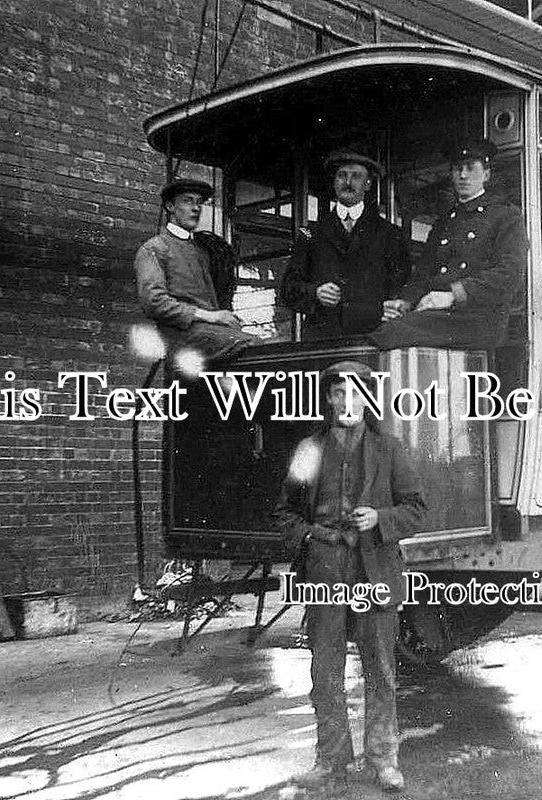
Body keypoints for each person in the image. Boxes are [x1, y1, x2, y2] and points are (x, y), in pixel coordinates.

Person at [275, 360, 426, 794]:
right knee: (326, 667)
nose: (347, 402)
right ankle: (331, 763)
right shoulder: (309, 449)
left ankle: (384, 759)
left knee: (380, 665)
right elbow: (283, 512)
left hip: (374, 568)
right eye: (339, 393)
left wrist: (380, 517)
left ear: (367, 400)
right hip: (324, 568)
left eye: (356, 393)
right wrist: (310, 536)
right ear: (328, 399)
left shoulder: (390, 449)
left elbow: (417, 509)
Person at [371, 138, 528, 350]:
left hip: (479, 320)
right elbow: (423, 272)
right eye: (457, 169)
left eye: (471, 168)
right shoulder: (444, 221)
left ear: (486, 175)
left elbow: (509, 274)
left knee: (395, 332)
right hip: (442, 315)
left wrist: (453, 295)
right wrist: (405, 301)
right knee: (381, 325)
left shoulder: (506, 216)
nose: (463, 175)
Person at [280, 151, 411, 341]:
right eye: (342, 175)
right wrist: (315, 292)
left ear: (368, 184)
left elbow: (403, 284)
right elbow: (288, 288)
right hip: (323, 339)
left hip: (374, 337)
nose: (348, 182)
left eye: (356, 176)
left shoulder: (390, 234)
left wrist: (397, 306)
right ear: (334, 182)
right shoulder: (310, 234)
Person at [133, 177, 259, 366]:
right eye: (187, 201)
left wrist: (222, 317)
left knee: (267, 347)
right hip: (180, 335)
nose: (196, 208)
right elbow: (154, 302)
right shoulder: (155, 248)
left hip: (209, 334)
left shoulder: (201, 251)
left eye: (199, 202)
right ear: (170, 206)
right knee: (254, 346)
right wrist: (211, 316)